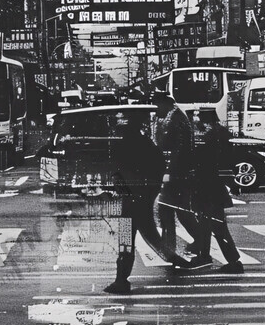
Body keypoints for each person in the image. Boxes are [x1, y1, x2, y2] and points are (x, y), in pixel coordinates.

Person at [103, 121, 189, 294]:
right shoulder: (149, 146)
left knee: (126, 240)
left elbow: (117, 171)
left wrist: (122, 187)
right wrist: (150, 191)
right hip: (144, 196)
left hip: (130, 198)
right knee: (149, 234)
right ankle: (176, 260)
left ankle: (121, 280)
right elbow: (159, 168)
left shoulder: (124, 147)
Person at [152, 89, 210, 269]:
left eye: (157, 105)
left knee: (178, 212)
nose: (155, 109)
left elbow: (179, 149)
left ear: (165, 103)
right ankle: (176, 247)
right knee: (172, 211)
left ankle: (194, 243)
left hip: (177, 174)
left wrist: (169, 172)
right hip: (175, 172)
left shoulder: (176, 119)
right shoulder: (172, 117)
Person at [187, 110, 244, 273]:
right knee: (207, 223)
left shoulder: (212, 136)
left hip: (209, 185)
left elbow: (214, 161)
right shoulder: (219, 133)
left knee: (215, 224)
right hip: (211, 185)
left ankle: (233, 260)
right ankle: (205, 255)